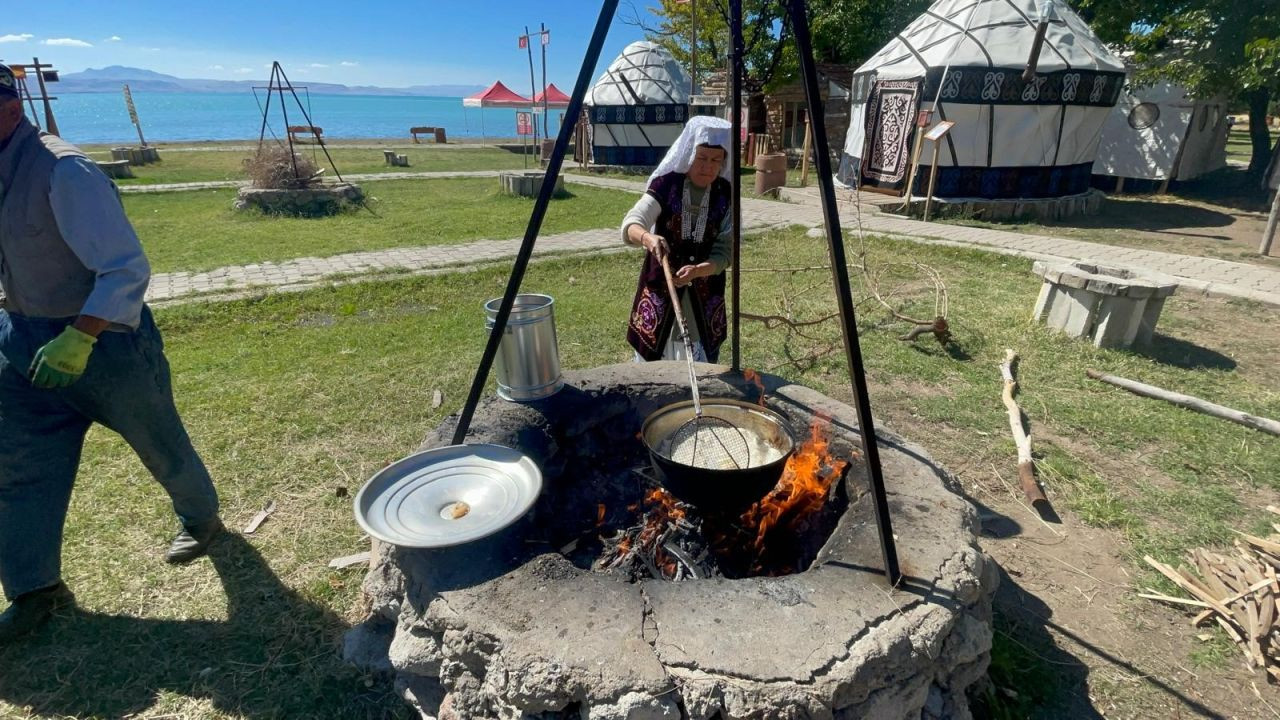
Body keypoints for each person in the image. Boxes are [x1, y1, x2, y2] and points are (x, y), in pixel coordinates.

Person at [0, 63, 222, 642]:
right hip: (21, 340)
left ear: (9, 105)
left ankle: (201, 520)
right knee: (16, 465)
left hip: (106, 344)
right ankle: (34, 587)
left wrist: (80, 335)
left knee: (160, 443)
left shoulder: (65, 170)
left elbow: (124, 268)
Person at [622, 116, 733, 363]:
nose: (708, 166)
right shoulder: (667, 185)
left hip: (704, 294)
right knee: (654, 361)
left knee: (698, 360)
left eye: (716, 160)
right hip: (661, 287)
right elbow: (632, 223)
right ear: (689, 154)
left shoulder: (725, 194)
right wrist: (648, 238)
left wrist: (700, 270)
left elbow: (727, 250)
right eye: (702, 158)